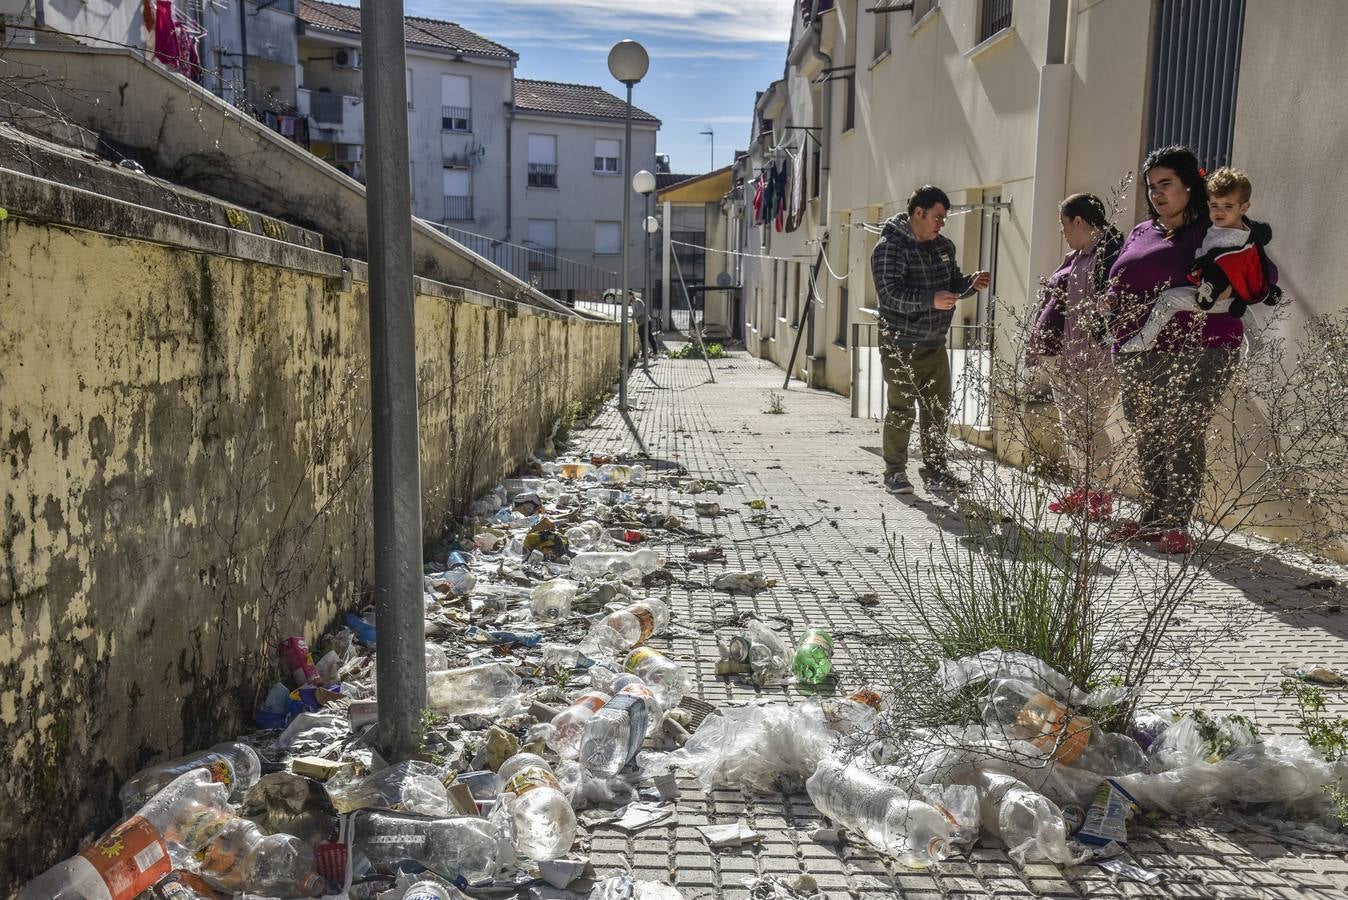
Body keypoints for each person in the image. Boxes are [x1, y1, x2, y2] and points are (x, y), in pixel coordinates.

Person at [1105, 146, 1278, 554]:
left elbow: (1259, 272)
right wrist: (1110, 295)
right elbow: (1121, 275)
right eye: (1151, 187)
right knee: (1148, 429)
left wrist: (1224, 289)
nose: (1156, 194)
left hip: (1202, 345)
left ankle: (1176, 521)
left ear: (1189, 185)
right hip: (1136, 348)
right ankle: (1153, 514)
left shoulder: (1214, 226)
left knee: (1182, 428)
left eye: (1166, 184)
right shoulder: (1142, 231)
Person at [870, 185, 990, 495]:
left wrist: (970, 284)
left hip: (934, 342)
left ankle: (936, 470)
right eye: (937, 217)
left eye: (944, 219)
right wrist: (929, 300)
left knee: (937, 409)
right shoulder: (889, 248)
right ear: (918, 213)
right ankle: (895, 472)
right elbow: (890, 295)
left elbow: (951, 284)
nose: (941, 224)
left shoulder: (943, 247)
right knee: (901, 410)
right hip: (900, 343)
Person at [1025, 193, 1124, 519]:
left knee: (1090, 426)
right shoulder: (1077, 256)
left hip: (1095, 358)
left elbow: (1112, 304)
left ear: (1079, 221)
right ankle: (1081, 491)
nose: (1063, 232)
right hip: (1068, 357)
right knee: (1072, 427)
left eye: (1064, 225)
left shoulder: (1110, 253)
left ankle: (1099, 498)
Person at [1118, 167, 1281, 352]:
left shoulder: (1238, 237)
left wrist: (1226, 283)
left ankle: (1145, 340)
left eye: (1228, 207)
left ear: (1243, 208)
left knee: (1168, 299)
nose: (1220, 212)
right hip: (1223, 294)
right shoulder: (1223, 227)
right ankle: (1256, 342)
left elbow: (1244, 265)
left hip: (1210, 294)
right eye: (1214, 206)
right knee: (1238, 307)